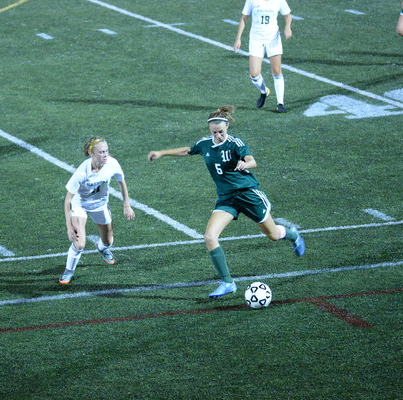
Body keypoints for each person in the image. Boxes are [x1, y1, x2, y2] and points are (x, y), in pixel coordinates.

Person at [147, 106, 304, 298]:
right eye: (214, 132)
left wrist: (245, 163)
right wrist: (162, 153)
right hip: (227, 199)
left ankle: (292, 235)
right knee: (209, 237)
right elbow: (188, 150)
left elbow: (252, 160)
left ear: (227, 126)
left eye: (221, 131)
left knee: (273, 235)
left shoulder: (235, 143)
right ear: (209, 129)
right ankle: (228, 282)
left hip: (248, 195)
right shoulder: (205, 144)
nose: (218, 135)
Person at [59, 137, 135, 285]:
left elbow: (121, 182)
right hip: (80, 205)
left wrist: (127, 205)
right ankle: (68, 271)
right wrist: (69, 227)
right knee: (80, 244)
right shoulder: (82, 172)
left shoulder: (112, 163)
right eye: (101, 152)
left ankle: (102, 248)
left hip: (100, 205)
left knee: (108, 241)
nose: (105, 154)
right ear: (91, 153)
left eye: (106, 151)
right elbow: (68, 200)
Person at [233, 0, 292, 113]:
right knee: (254, 74)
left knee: (276, 71)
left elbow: (288, 15)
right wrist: (238, 38)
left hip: (273, 38)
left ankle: (280, 103)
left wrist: (287, 27)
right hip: (256, 39)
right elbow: (244, 18)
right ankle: (264, 91)